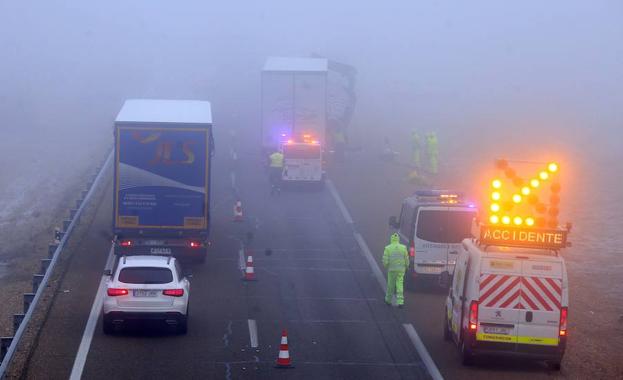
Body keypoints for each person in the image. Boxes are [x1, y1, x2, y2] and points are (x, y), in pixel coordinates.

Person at [382, 233, 409, 308]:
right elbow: (406, 258)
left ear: (391, 239)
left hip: (392, 270)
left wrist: (386, 266)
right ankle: (400, 302)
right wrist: (407, 266)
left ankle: (388, 300)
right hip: (401, 270)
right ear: (398, 240)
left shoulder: (388, 248)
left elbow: (385, 260)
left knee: (390, 285)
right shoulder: (403, 248)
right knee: (399, 285)